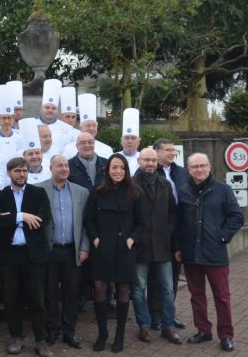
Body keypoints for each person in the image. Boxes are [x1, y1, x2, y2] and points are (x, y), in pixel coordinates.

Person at [176, 153, 244, 353]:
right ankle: (203, 330)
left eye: (203, 165)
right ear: (188, 169)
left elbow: (237, 217)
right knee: (196, 295)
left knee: (222, 296)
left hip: (215, 254)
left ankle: (226, 335)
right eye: (195, 166)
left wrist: (221, 237)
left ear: (210, 167)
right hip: (191, 254)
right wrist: (179, 247)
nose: (199, 169)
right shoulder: (183, 192)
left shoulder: (223, 190)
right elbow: (179, 223)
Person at [0, 157, 54, 357]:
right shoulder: (0, 196)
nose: (21, 174)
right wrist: (22, 217)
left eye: (24, 171)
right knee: (11, 299)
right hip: (9, 256)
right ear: (10, 173)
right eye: (17, 171)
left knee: (37, 299)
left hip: (33, 255)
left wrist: (10, 218)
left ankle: (41, 340)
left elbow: (43, 219)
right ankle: (16, 337)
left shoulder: (38, 193)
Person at [84, 154, 141, 353]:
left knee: (123, 289)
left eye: (122, 168)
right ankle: (102, 333)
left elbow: (141, 222)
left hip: (125, 249)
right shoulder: (97, 192)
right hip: (103, 248)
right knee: (100, 287)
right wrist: (96, 239)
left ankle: (120, 334)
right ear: (107, 170)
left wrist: (132, 239)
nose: (118, 171)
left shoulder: (134, 192)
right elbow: (89, 219)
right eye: (114, 167)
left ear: (126, 171)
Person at [129, 148, 182, 344]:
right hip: (140, 246)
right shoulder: (130, 186)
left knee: (167, 289)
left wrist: (167, 230)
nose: (150, 164)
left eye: (153, 160)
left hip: (162, 245)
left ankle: (168, 326)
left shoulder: (165, 184)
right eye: (146, 160)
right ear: (139, 161)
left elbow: (173, 213)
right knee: (138, 288)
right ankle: (144, 325)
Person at [37, 155, 89, 350]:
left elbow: (86, 223)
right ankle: (52, 330)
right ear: (50, 168)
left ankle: (69, 331)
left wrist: (84, 247)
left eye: (66, 165)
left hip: (72, 251)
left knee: (72, 293)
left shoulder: (81, 192)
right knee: (50, 293)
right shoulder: (40, 190)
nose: (64, 168)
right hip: (50, 251)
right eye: (59, 165)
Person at [153, 138, 189, 330]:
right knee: (155, 276)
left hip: (177, 231)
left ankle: (169, 314)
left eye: (173, 150)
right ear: (156, 152)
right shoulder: (150, 171)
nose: (171, 153)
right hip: (157, 231)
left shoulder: (181, 171)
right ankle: (155, 315)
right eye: (167, 150)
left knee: (173, 276)